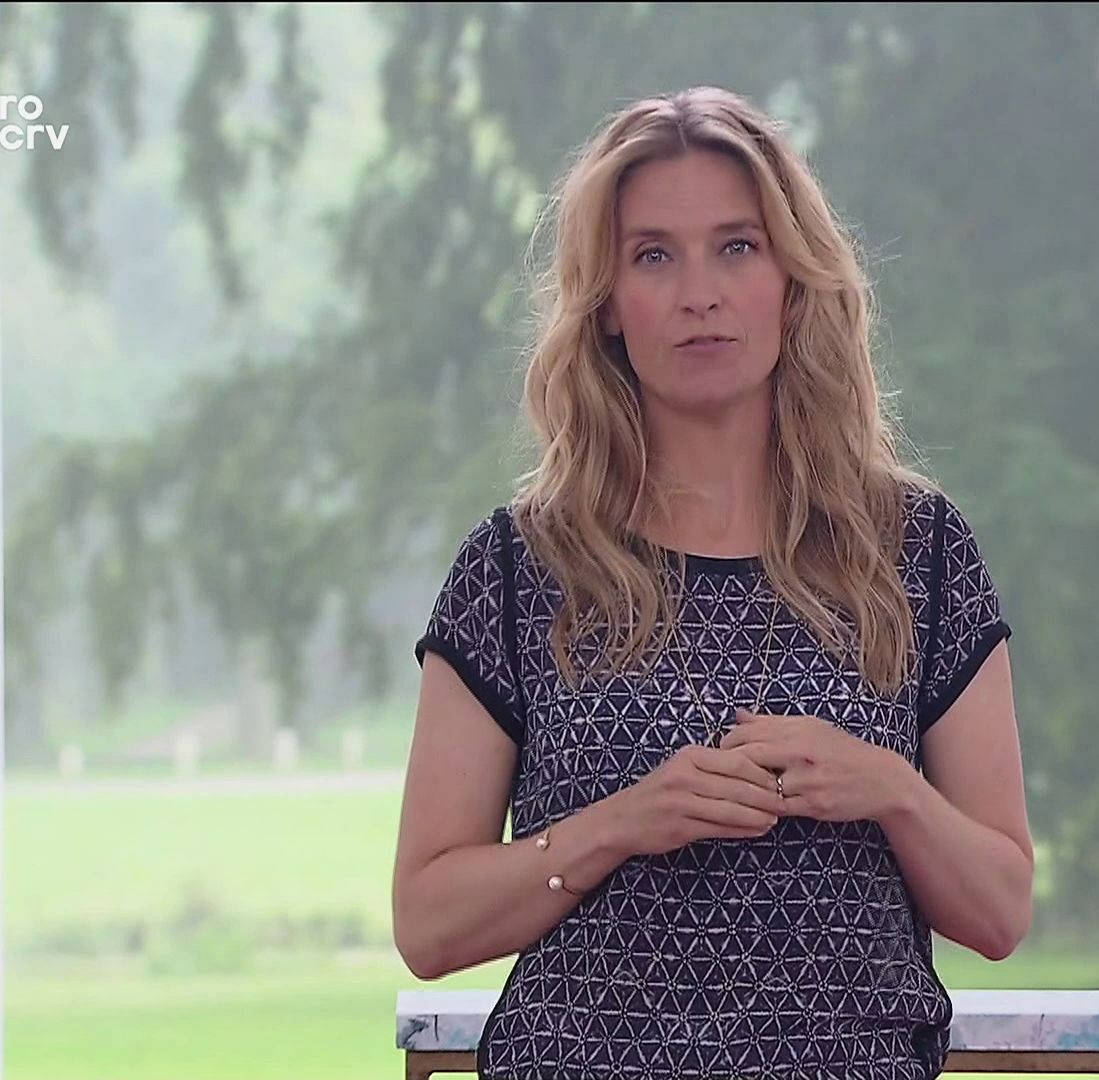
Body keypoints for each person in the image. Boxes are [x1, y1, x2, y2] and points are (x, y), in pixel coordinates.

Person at [391, 86, 1033, 1080]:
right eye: (654, 256)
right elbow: (429, 925)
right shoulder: (518, 569)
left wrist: (891, 791)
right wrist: (620, 825)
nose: (700, 293)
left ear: (792, 280)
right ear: (608, 304)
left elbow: (999, 911)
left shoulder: (916, 551)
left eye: (737, 247)